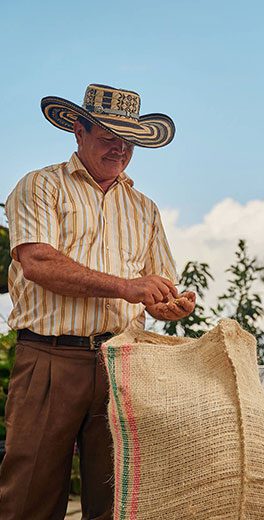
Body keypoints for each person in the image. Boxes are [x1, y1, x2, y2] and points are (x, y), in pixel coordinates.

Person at [0, 84, 196, 519]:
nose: (119, 148)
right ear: (78, 130)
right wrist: (127, 287)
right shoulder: (39, 185)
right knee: (29, 495)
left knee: (117, 502)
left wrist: (167, 305)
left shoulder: (144, 208)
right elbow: (38, 263)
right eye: (108, 135)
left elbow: (157, 286)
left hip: (121, 365)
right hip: (49, 358)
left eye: (129, 140)